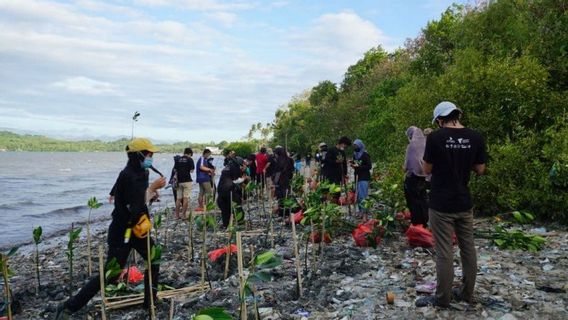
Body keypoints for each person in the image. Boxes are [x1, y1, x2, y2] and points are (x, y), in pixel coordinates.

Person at [55, 138, 166, 319]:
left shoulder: (142, 172)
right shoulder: (128, 174)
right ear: (138, 155)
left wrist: (151, 193)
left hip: (138, 229)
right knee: (111, 274)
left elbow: (125, 194)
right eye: (149, 154)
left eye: (152, 154)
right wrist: (152, 188)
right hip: (122, 231)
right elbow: (133, 205)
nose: (151, 157)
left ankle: (150, 301)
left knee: (154, 259)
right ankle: (69, 306)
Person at [416, 101, 487, 308]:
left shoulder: (436, 138)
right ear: (458, 115)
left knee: (444, 251)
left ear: (439, 120)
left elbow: (427, 170)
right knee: (468, 248)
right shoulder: (476, 137)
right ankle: (466, 293)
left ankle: (442, 298)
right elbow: (481, 169)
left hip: (441, 203)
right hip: (464, 202)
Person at [403, 127, 429, 227]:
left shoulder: (411, 147)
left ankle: (417, 223)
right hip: (424, 179)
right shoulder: (426, 145)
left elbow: (406, 166)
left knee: (413, 202)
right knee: (423, 200)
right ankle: (425, 223)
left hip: (412, 178)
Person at [217, 156, 247, 228]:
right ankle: (240, 222)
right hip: (229, 190)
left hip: (220, 189)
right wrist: (243, 179)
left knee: (224, 209)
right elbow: (236, 181)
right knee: (237, 205)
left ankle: (226, 224)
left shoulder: (227, 167)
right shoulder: (235, 167)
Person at [350, 139, 372, 218]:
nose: (355, 147)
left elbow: (369, 166)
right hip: (357, 176)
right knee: (358, 195)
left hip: (364, 177)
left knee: (363, 195)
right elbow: (355, 163)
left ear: (360, 146)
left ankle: (364, 212)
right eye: (354, 146)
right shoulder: (355, 155)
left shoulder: (365, 155)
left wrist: (359, 167)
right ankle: (360, 211)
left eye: (356, 146)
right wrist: (352, 164)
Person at [174, 148, 195, 219]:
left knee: (178, 199)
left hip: (179, 181)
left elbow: (175, 170)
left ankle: (176, 215)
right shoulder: (190, 159)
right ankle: (183, 215)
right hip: (187, 181)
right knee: (186, 198)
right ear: (189, 154)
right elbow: (192, 171)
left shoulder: (178, 159)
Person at [272, 147, 293, 216]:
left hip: (279, 181)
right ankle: (288, 211)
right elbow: (291, 171)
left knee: (280, 197)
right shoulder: (290, 160)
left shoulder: (277, 161)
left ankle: (282, 212)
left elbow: (277, 173)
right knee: (287, 195)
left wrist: (274, 183)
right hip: (286, 180)